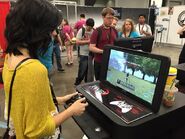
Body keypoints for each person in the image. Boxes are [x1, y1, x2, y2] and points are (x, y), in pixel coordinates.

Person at [3, 0, 88, 138]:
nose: (54, 34)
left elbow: (26, 103)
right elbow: (38, 130)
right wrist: (71, 111)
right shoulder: (34, 69)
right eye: (51, 29)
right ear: (36, 29)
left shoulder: (10, 58)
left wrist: (58, 99)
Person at [89, 7, 118, 80]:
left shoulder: (114, 30)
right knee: (100, 83)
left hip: (111, 63)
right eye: (108, 18)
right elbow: (91, 47)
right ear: (103, 17)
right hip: (99, 62)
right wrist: (103, 51)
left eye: (112, 18)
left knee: (110, 82)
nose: (110, 20)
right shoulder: (97, 31)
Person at [74, 18, 95, 85]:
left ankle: (86, 83)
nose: (90, 29)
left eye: (91, 27)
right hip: (83, 54)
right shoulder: (81, 30)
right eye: (89, 27)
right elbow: (77, 42)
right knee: (82, 70)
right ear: (86, 25)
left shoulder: (93, 31)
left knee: (88, 71)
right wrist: (87, 41)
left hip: (91, 54)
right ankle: (78, 83)